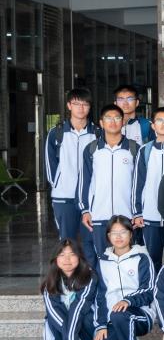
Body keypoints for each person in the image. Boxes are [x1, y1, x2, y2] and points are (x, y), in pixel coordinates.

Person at [78, 104, 142, 267]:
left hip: (127, 216)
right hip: (99, 215)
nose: (113, 122)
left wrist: (137, 212)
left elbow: (140, 183)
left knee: (128, 260)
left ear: (123, 122)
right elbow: (84, 181)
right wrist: (85, 210)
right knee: (102, 260)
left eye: (117, 118)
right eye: (108, 118)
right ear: (101, 123)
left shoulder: (134, 148)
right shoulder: (92, 149)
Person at [91, 216, 155, 340]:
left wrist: (128, 300)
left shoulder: (142, 257)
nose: (118, 236)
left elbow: (149, 290)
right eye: (114, 233)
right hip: (112, 318)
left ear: (131, 234)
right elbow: (100, 296)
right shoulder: (103, 261)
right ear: (108, 236)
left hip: (140, 314)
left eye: (123, 232)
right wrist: (101, 325)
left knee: (119, 315)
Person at [45, 88, 99, 248]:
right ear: (69, 105)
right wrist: (58, 184)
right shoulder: (57, 133)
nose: (81, 108)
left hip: (91, 198)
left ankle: (91, 266)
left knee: (91, 242)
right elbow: (49, 163)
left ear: (90, 107)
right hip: (64, 197)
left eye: (85, 104)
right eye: (76, 104)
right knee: (67, 242)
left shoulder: (97, 133)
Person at [136, 106, 164, 268]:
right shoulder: (145, 150)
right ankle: (154, 285)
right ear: (153, 125)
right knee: (152, 259)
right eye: (159, 120)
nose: (163, 124)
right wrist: (137, 212)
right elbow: (138, 183)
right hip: (150, 215)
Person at [41, 239, 98, 340]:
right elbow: (53, 310)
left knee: (85, 314)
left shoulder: (89, 276)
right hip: (67, 328)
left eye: (72, 254)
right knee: (51, 317)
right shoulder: (50, 281)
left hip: (85, 320)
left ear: (79, 257)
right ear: (56, 259)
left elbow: (79, 307)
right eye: (62, 255)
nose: (67, 259)